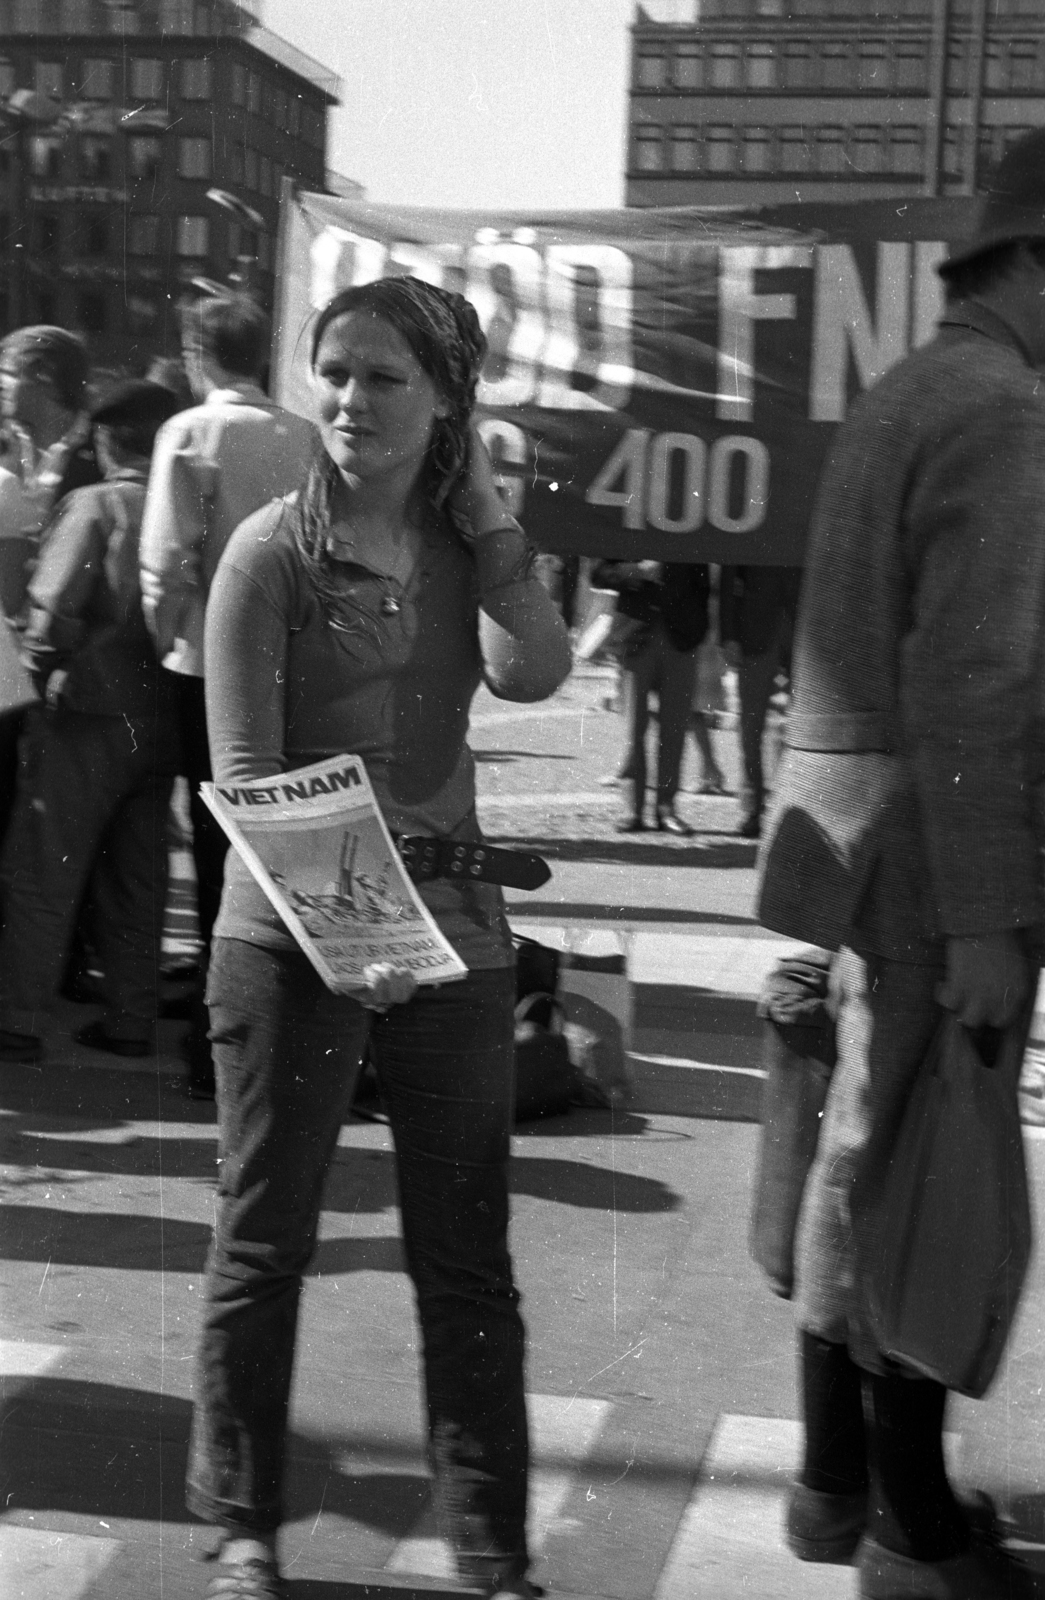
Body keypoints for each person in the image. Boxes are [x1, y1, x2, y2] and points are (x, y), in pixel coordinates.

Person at [187, 277, 570, 1599]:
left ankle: (491, 1547)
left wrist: (499, 528)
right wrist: (363, 936)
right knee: (266, 1232)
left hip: (458, 935)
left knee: (466, 1257)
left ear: (447, 399)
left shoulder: (471, 548)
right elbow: (247, 782)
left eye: (383, 377)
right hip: (292, 931)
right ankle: (242, 1522)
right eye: (333, 372)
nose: (349, 401)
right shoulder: (268, 552)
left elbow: (533, 671)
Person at [756, 128, 1045, 1599]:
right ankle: (908, 1511)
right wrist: (998, 919)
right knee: (917, 1170)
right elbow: (976, 688)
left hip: (862, 851)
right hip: (938, 875)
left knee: (864, 1157)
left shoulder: (911, 389)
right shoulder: (1003, 407)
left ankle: (835, 1478)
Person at [139, 292, 316, 1097]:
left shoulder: (189, 431)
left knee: (211, 852)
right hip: (288, 661)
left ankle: (217, 1042)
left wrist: (164, 631)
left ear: (197, 351)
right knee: (267, 840)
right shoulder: (302, 434)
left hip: (204, 661)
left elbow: (166, 557)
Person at [0, 380, 182, 1063]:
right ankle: (131, 1017)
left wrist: (39, 673)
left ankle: (18, 1017)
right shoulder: (186, 505)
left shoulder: (99, 503)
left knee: (44, 869)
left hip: (87, 711)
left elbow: (49, 615)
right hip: (159, 711)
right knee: (137, 874)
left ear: (108, 440)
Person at [0, 327, 100, 845]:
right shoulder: (7, 448)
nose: (1, 387)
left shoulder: (97, 451)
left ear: (42, 377)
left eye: (9, 374)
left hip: (66, 664)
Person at [591, 559, 710, 834]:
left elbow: (703, 579)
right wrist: (628, 571)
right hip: (635, 637)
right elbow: (598, 575)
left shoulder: (697, 528)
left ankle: (667, 809)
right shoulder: (630, 522)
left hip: (681, 636)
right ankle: (632, 809)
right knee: (633, 729)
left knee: (674, 729)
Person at [719, 564, 802, 838]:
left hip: (801, 637)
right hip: (754, 635)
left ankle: (793, 810)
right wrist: (729, 636)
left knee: (799, 729)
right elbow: (729, 580)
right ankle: (753, 809)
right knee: (750, 729)